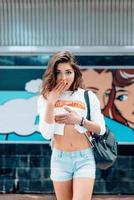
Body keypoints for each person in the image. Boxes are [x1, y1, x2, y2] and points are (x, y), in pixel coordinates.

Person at [37, 51, 106, 200]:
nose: (64, 78)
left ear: (75, 72)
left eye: (68, 72)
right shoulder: (45, 98)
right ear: (53, 75)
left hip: (84, 157)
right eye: (58, 73)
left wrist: (79, 120)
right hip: (59, 159)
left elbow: (101, 128)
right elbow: (46, 134)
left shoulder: (87, 96)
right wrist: (50, 103)